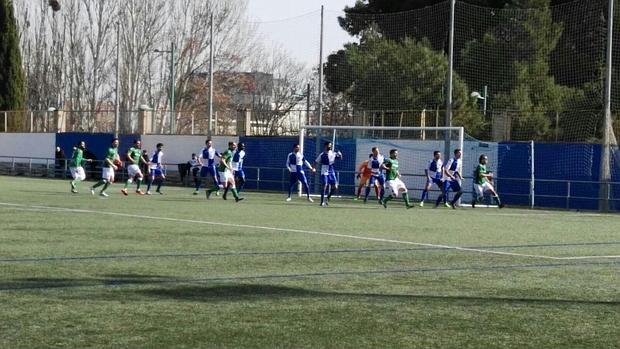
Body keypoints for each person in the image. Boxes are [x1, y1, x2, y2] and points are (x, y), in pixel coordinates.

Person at [314, 141, 342, 206]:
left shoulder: (333, 153)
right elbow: (316, 162)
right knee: (325, 185)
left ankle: (327, 198)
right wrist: (313, 168)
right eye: (329, 145)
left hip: (331, 170)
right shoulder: (322, 154)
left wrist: (340, 154)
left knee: (335, 187)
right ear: (325, 146)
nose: (330, 146)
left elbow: (340, 158)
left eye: (331, 145)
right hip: (324, 170)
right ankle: (321, 202)